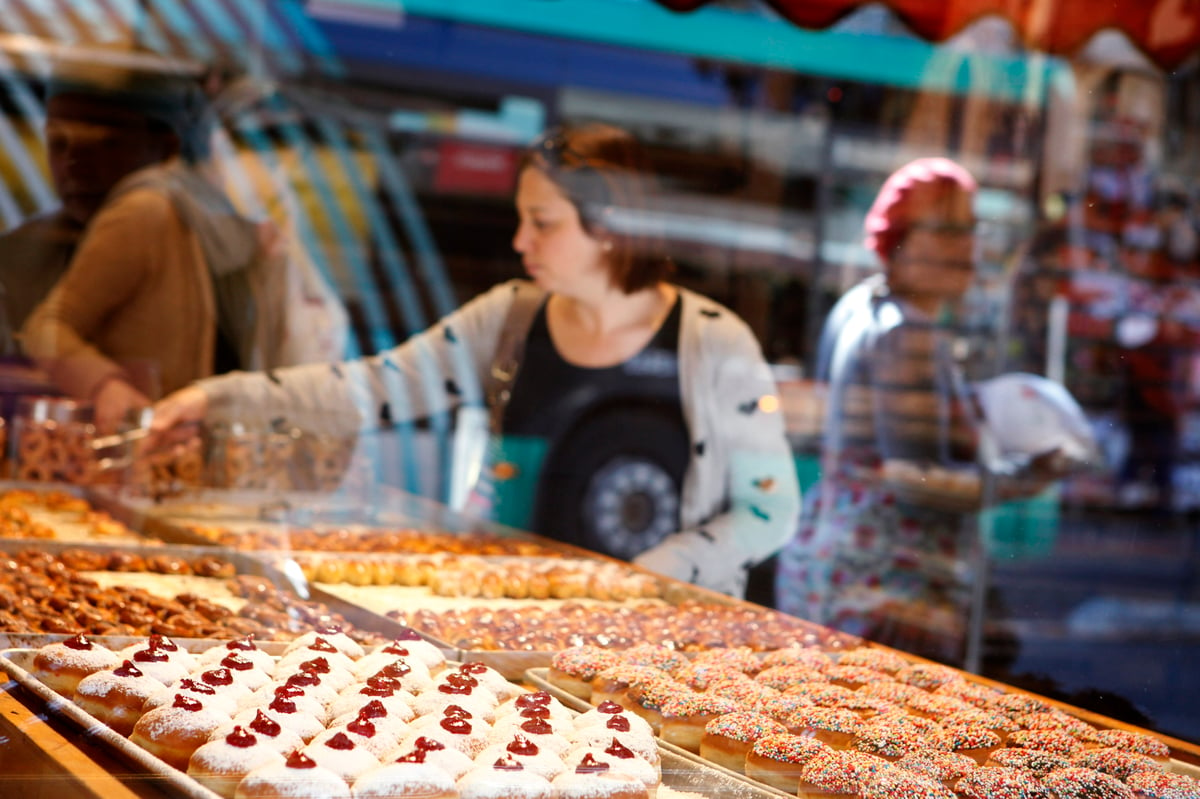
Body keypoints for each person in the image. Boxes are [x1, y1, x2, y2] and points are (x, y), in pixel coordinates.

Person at [150, 122, 801, 597]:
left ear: (608, 224)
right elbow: (373, 387)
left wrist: (658, 570)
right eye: (522, 220)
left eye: (542, 222)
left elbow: (771, 510)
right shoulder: (508, 318)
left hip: (663, 639)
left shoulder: (715, 343)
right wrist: (221, 396)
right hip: (510, 617)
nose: (521, 242)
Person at [775, 157, 1053, 663]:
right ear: (899, 239)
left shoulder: (862, 303)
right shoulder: (909, 331)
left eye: (972, 228)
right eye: (948, 229)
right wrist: (1028, 476)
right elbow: (913, 479)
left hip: (833, 568)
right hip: (887, 590)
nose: (968, 246)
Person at [19, 64, 286, 433]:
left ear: (167, 145)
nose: (75, 166)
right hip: (138, 451)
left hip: (190, 454)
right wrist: (107, 387)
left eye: (107, 143)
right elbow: (46, 330)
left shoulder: (221, 226)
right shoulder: (146, 212)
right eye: (59, 144)